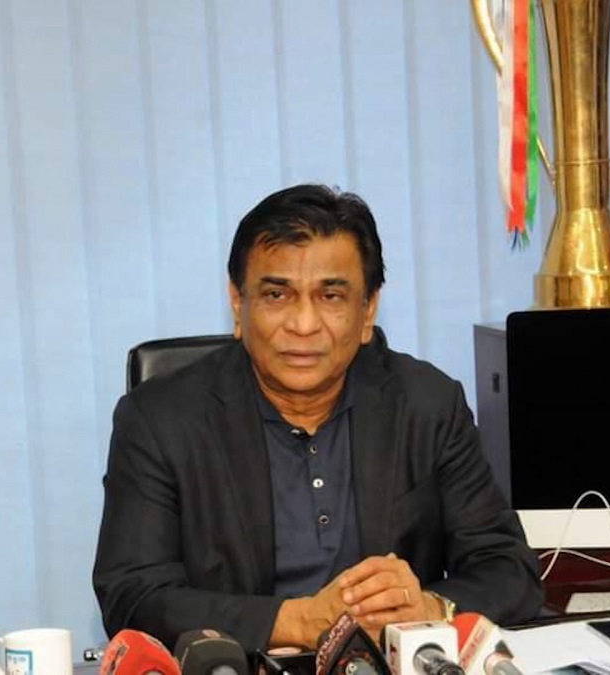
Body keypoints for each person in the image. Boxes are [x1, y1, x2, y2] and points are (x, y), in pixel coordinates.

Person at [93, 184, 542, 652]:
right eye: (276, 295)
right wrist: (299, 621)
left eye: (330, 296)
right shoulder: (160, 420)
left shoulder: (427, 404)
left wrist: (430, 608)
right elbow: (132, 596)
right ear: (238, 305)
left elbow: (509, 570)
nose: (304, 325)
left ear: (367, 309)